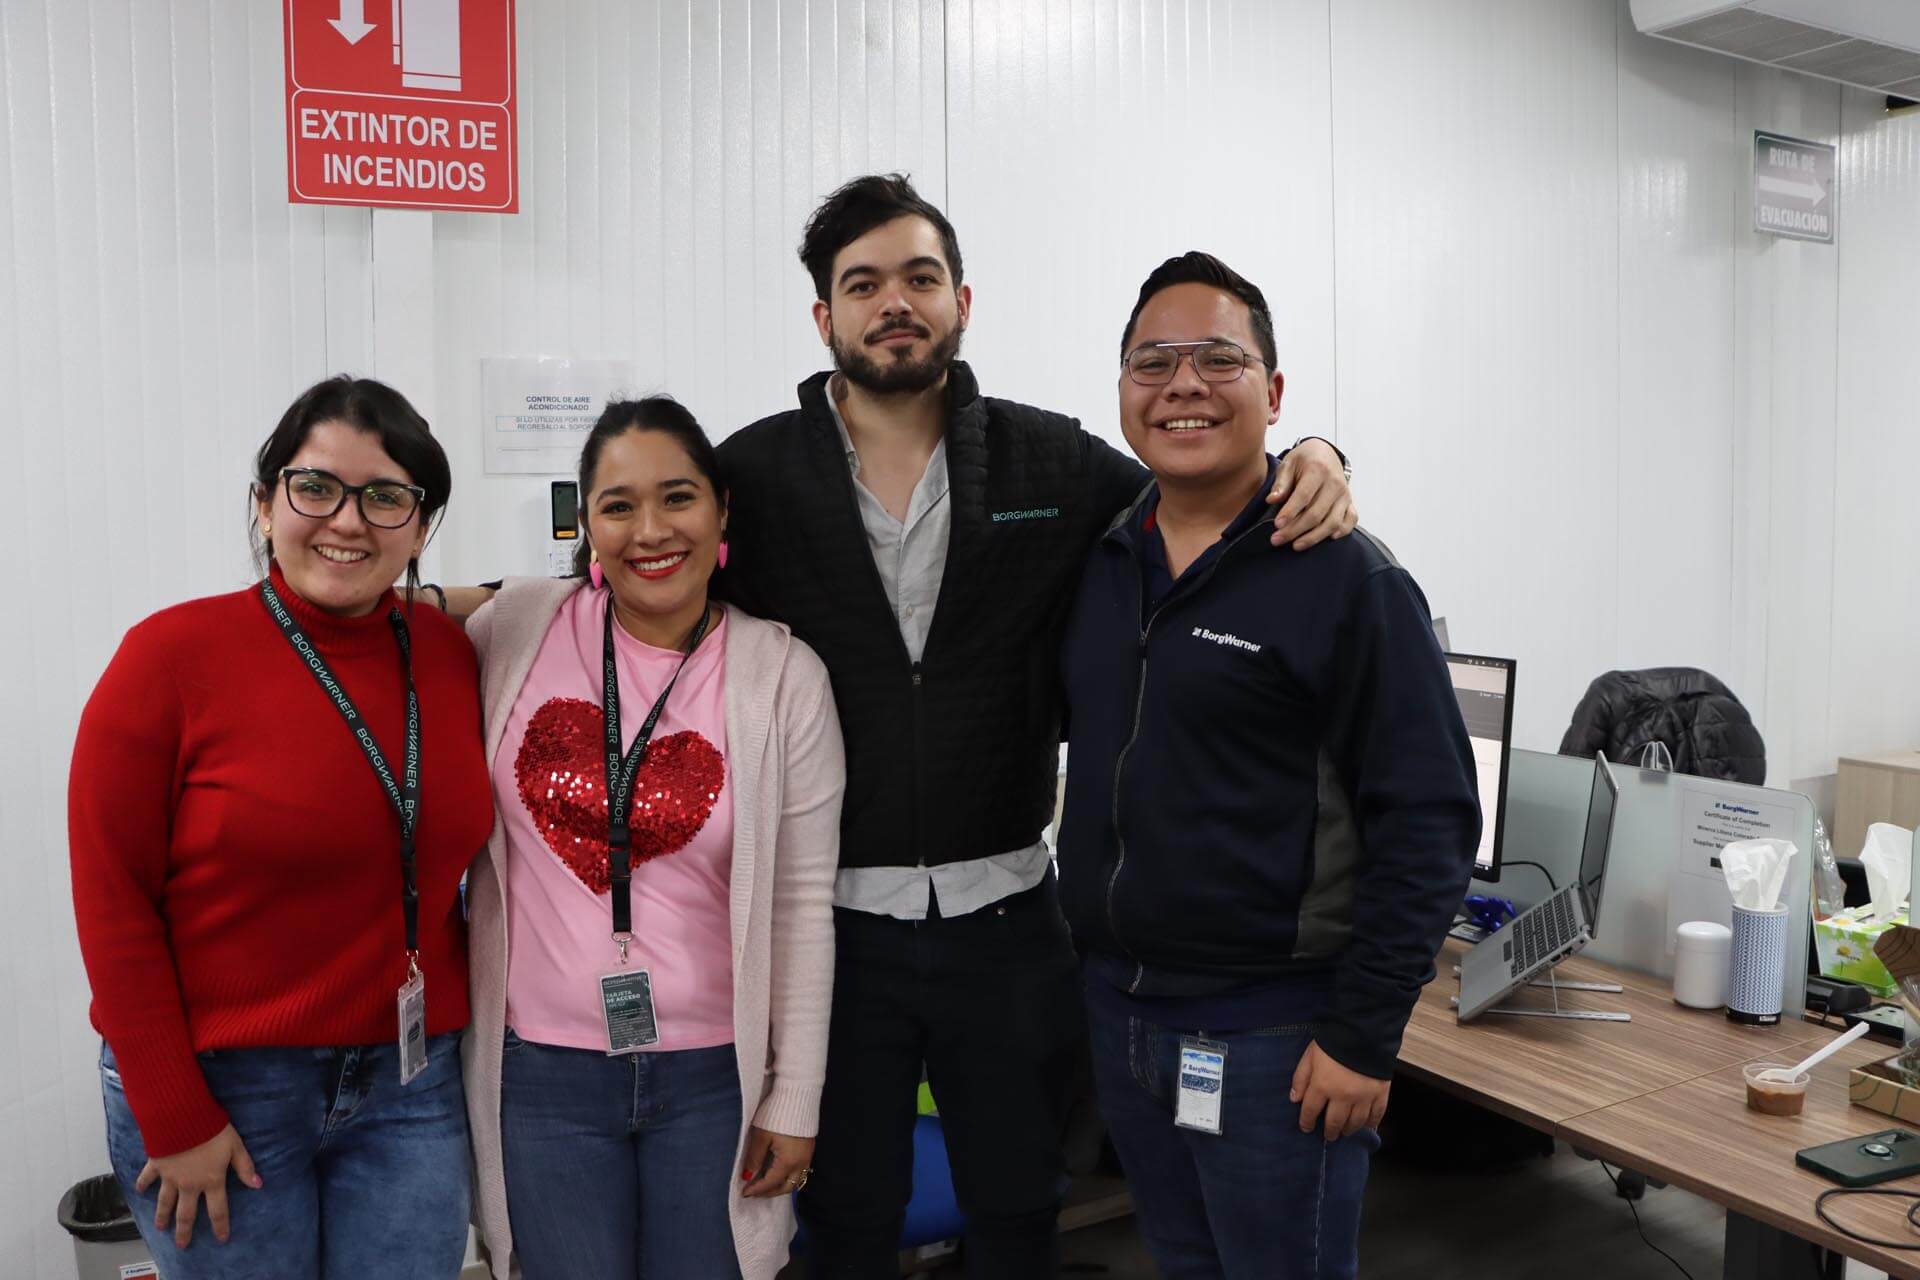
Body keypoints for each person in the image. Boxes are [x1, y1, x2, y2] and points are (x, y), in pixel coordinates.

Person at [713, 175, 1360, 1278]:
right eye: (862, 285)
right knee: (846, 1225)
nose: (895, 303)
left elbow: (1200, 483)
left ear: (961, 299)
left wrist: (1318, 456)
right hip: (834, 933)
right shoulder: (754, 475)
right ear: (825, 317)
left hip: (1010, 926)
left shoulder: (1049, 463)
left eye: (920, 278)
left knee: (1018, 1215)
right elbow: (638, 567)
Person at [1055, 252, 1482, 1279]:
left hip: (1275, 1040)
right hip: (1123, 1017)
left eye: (1218, 359)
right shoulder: (1105, 558)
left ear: (1276, 393)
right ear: (1121, 390)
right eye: (1153, 361)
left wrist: (1366, 1033)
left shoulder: (1350, 580)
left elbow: (1430, 817)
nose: (1184, 384)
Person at [68, 376, 490, 1279]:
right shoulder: (168, 659)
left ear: (420, 527)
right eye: (315, 488)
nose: (347, 520)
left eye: (386, 497)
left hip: (412, 1083)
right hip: (225, 1087)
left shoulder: (451, 655)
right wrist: (175, 1114)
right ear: (265, 504)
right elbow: (113, 905)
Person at [461, 397, 843, 1280]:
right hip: (542, 1074)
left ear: (719, 512)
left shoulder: (782, 677)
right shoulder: (513, 632)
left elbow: (800, 905)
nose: (650, 530)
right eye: (618, 505)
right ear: (586, 523)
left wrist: (795, 1094)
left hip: (714, 1079)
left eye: (677, 497)